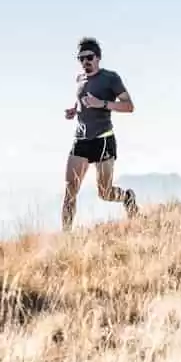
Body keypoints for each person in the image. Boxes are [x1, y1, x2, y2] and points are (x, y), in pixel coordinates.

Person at [62, 37, 138, 231]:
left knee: (104, 192)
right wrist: (74, 110)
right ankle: (66, 238)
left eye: (89, 57)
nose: (85, 62)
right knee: (70, 190)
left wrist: (102, 104)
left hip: (103, 139)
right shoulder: (79, 79)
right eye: (81, 58)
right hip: (81, 140)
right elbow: (81, 102)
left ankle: (127, 197)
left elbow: (129, 106)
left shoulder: (110, 78)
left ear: (98, 57)